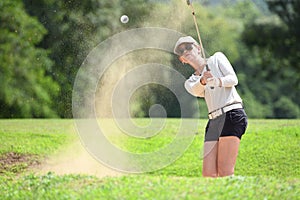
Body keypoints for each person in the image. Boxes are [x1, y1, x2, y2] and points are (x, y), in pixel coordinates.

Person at [174, 36, 248, 177]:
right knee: (208, 174)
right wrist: (203, 80)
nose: (186, 51)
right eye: (181, 51)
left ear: (198, 48)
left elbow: (233, 79)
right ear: (182, 60)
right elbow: (196, 91)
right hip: (213, 121)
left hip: (231, 114)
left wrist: (216, 81)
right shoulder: (190, 81)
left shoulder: (217, 58)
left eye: (189, 47)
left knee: (225, 172)